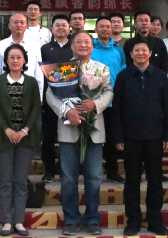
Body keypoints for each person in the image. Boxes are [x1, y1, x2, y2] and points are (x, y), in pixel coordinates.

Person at [46, 31, 113, 236]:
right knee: (68, 179)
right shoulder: (63, 68)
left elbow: (108, 92)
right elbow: (50, 94)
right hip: (69, 130)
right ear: (72, 46)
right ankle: (71, 220)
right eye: (79, 42)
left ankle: (92, 219)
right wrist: (67, 111)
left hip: (94, 130)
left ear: (92, 46)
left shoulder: (101, 68)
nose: (83, 45)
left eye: (87, 42)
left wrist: (95, 104)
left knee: (94, 177)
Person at [111, 41, 168, 236]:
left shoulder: (160, 76)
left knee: (155, 181)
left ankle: (155, 220)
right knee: (132, 181)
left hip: (155, 137)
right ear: (130, 54)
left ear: (150, 53)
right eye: (136, 50)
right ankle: (133, 221)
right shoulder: (123, 76)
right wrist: (118, 136)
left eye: (143, 50)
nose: (140, 53)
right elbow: (117, 109)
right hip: (131, 138)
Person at [0, 44, 41, 237]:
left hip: (25, 138)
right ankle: (6, 221)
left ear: (24, 60)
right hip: (4, 137)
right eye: (11, 57)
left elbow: (36, 107)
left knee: (20, 182)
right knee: (5, 182)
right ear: (6, 60)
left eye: (19, 57)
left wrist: (25, 130)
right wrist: (7, 129)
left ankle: (18, 220)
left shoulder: (31, 82)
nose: (15, 60)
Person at [91, 17, 127, 183]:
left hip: (113, 100)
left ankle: (112, 170)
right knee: (93, 136)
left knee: (112, 137)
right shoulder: (89, 47)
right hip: (92, 101)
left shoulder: (118, 50)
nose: (105, 29)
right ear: (96, 30)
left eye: (108, 26)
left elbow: (123, 73)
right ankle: (92, 170)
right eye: (102, 26)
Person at [39, 14, 72, 182]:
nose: (60, 28)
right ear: (52, 29)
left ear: (69, 28)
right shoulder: (44, 49)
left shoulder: (75, 47)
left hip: (72, 101)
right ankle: (49, 170)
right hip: (50, 99)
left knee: (70, 137)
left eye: (64, 25)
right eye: (57, 25)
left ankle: (68, 170)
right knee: (48, 137)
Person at [0, 13, 44, 101]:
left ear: (26, 26)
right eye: (15, 22)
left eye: (22, 22)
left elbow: (38, 73)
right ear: (9, 26)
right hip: (5, 92)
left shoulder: (34, 45)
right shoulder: (0, 45)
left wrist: (39, 98)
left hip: (29, 91)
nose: (19, 25)